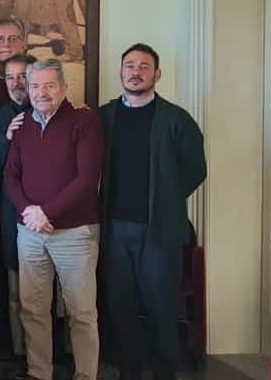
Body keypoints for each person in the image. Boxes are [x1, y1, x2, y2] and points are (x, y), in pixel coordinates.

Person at [99, 44, 206, 380]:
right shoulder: (103, 117)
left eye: (144, 66)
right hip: (114, 229)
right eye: (129, 65)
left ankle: (165, 374)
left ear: (157, 74)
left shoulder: (176, 119)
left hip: (159, 230)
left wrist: (166, 200)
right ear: (121, 72)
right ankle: (129, 372)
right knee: (121, 308)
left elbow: (196, 169)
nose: (136, 72)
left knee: (162, 308)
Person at [4, 58, 103, 380]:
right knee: (33, 309)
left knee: (81, 311)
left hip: (74, 233)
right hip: (30, 232)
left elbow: (87, 179)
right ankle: (39, 372)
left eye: (49, 85)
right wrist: (29, 213)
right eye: (35, 85)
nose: (41, 92)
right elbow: (11, 176)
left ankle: (85, 375)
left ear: (63, 87)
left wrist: (45, 212)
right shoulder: (22, 125)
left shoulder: (84, 121)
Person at [0, 52, 37, 366]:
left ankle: (49, 355)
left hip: (51, 215)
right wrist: (5, 138)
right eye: (11, 77)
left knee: (49, 291)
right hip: (13, 213)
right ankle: (19, 355)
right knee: (15, 291)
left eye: (23, 77)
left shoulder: (55, 112)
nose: (17, 83)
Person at [0, 18, 28, 105]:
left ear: (23, 45)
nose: (6, 44)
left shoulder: (38, 76)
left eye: (13, 39)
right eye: (0, 39)